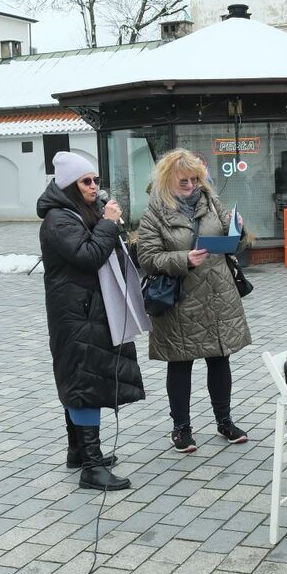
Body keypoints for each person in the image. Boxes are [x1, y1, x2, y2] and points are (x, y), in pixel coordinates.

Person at [38, 151, 145, 492]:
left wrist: (112, 227)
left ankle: (78, 452)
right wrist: (109, 224)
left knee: (82, 377)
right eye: (87, 181)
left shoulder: (80, 212)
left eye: (96, 180)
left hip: (87, 310)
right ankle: (92, 466)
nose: (94, 186)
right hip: (76, 314)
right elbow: (87, 256)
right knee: (84, 383)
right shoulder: (59, 219)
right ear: (70, 184)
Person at [137, 149, 252, 453]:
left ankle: (224, 420)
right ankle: (181, 429)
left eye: (194, 180)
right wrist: (183, 258)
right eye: (183, 182)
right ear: (167, 182)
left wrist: (238, 231)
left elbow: (237, 241)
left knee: (219, 358)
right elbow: (147, 258)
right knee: (180, 364)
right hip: (180, 300)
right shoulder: (155, 214)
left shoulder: (212, 203)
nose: (190, 186)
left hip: (217, 295)